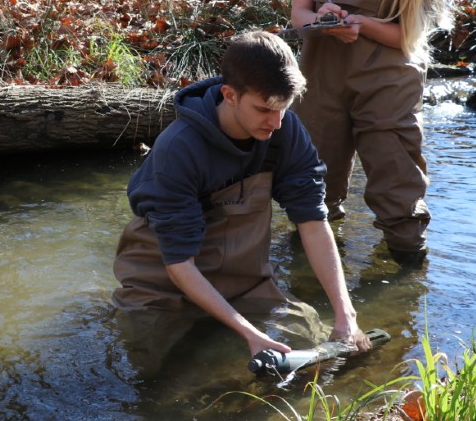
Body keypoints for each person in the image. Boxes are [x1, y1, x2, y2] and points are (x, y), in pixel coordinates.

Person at [112, 31, 370, 372]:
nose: (276, 123)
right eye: (264, 109)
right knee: (166, 379)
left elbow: (312, 220)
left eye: (284, 109)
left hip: (246, 284)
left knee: (330, 351)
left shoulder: (284, 130)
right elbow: (179, 264)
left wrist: (345, 313)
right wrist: (250, 334)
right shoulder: (179, 149)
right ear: (229, 95)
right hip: (161, 290)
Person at [289, 0, 454, 267]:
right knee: (315, 177)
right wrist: (323, 20)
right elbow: (298, 16)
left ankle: (406, 271)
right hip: (322, 74)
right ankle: (312, 273)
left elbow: (407, 36)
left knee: (395, 175)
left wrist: (361, 23)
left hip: (389, 77)